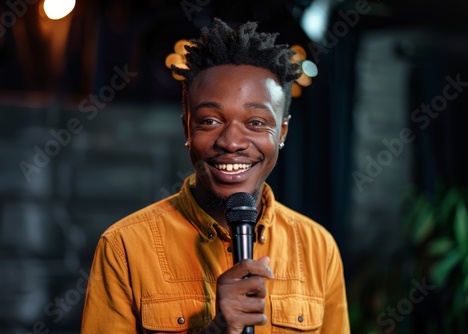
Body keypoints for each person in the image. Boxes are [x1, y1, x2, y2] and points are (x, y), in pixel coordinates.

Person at [81, 18, 350, 334]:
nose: (232, 142)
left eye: (256, 123)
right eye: (209, 121)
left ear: (282, 132)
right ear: (187, 129)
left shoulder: (318, 246)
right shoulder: (124, 246)